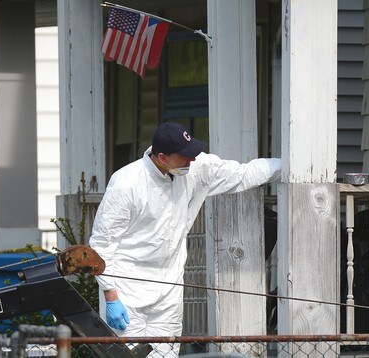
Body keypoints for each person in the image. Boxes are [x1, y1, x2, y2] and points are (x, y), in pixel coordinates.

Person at [89, 122, 281, 357]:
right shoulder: (126, 184)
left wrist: (287, 164)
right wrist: (110, 294)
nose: (191, 161)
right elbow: (101, 245)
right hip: (127, 291)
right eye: (184, 157)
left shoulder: (195, 169)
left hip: (168, 288)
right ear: (162, 157)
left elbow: (242, 174)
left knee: (167, 354)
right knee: (127, 356)